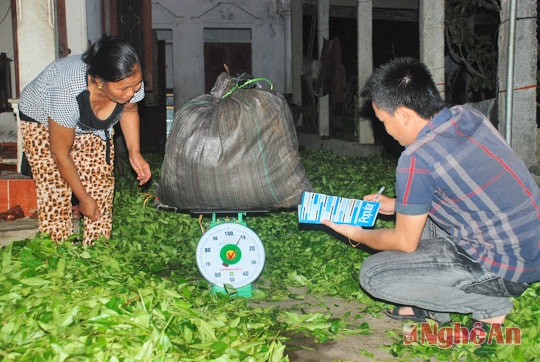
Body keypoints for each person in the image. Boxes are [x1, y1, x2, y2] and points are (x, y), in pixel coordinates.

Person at [323, 57, 540, 330]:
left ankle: (489, 305)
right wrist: (397, 204)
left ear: (403, 114)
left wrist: (353, 232)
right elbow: (458, 183)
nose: (385, 131)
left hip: (505, 267)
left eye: (383, 121)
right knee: (416, 217)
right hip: (531, 246)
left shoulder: (416, 159)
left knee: (374, 275)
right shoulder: (467, 116)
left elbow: (404, 242)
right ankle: (427, 301)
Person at [19, 34, 152, 245]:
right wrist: (82, 198)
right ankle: (58, 251)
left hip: (89, 124)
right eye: (123, 88)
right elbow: (60, 154)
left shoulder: (130, 80)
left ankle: (95, 251)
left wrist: (134, 152)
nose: (131, 92)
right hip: (41, 119)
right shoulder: (66, 90)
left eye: (136, 85)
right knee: (56, 189)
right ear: (100, 81)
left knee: (100, 186)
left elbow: (129, 110)